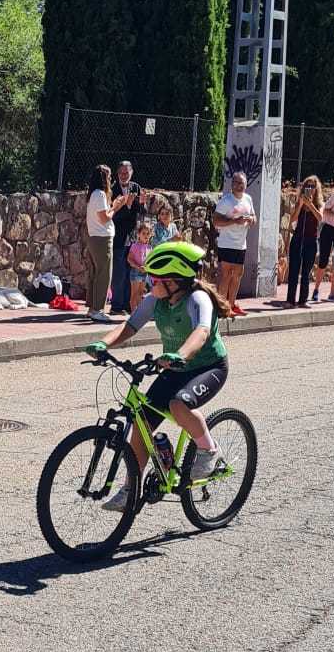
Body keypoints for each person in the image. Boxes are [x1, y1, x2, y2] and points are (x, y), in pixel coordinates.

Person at [85, 238, 236, 508]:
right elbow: (130, 327)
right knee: (142, 420)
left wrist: (180, 354)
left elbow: (201, 332)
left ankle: (209, 450)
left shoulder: (198, 299)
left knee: (179, 404)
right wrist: (103, 343)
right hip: (175, 367)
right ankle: (131, 488)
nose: (151, 284)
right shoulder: (156, 300)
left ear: (175, 280)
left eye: (156, 279)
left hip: (208, 367)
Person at [212, 170, 256, 308]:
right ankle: (221, 306)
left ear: (246, 184)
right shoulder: (226, 201)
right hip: (227, 243)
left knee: (237, 275)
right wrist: (234, 221)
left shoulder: (248, 199)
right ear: (232, 185)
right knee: (225, 275)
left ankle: (231, 305)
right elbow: (216, 221)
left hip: (241, 244)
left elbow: (254, 217)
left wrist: (251, 220)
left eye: (241, 183)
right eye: (236, 182)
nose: (238, 185)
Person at [282, 176, 323, 308]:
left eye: (312, 187)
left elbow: (320, 217)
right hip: (298, 239)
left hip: (311, 240)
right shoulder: (298, 201)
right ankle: (290, 300)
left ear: (316, 190)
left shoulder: (319, 204)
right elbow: (292, 220)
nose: (309, 189)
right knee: (294, 269)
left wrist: (310, 205)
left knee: (306, 271)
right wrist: (300, 205)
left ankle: (303, 300)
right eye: (307, 186)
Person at [109, 161, 145, 315]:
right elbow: (112, 215)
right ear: (117, 174)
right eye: (121, 173)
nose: (123, 176)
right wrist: (128, 206)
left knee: (131, 272)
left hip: (132, 236)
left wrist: (142, 203)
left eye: (126, 173)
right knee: (119, 272)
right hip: (118, 236)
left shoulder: (135, 187)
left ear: (131, 173)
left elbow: (141, 212)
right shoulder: (112, 190)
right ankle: (116, 306)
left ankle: (128, 305)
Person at [84, 165, 115, 324]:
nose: (110, 180)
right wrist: (116, 206)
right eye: (109, 177)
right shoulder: (100, 194)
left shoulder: (93, 194)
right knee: (104, 274)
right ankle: (98, 310)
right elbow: (104, 218)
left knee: (96, 274)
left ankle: (92, 308)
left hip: (95, 237)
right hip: (102, 238)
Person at [127, 214, 153, 310]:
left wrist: (148, 268)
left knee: (141, 294)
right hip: (136, 271)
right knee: (134, 294)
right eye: (143, 233)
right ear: (139, 234)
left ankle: (138, 313)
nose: (146, 236)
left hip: (144, 273)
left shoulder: (150, 247)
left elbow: (149, 260)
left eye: (148, 234)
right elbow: (129, 259)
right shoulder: (135, 246)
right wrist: (138, 267)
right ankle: (133, 313)